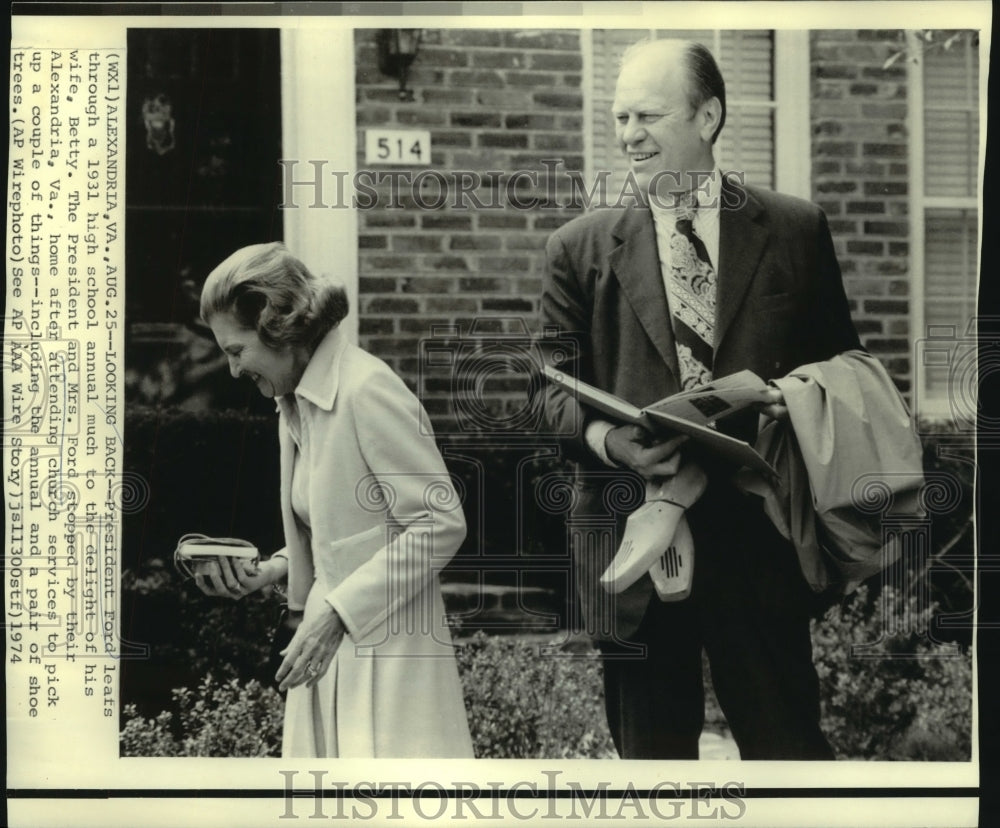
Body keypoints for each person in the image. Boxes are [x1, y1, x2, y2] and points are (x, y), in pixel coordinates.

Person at [539, 39, 861, 759]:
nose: (628, 135)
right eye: (620, 117)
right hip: (632, 536)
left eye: (648, 116)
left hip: (763, 540)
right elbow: (545, 392)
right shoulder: (577, 249)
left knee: (790, 760)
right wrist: (610, 442)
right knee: (653, 773)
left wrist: (791, 397)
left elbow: (844, 368)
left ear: (708, 116)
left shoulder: (795, 231)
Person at [193, 242, 473, 758]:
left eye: (236, 351)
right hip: (330, 642)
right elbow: (342, 532)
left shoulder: (366, 389)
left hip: (391, 655)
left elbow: (441, 523)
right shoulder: (294, 401)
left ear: (275, 327)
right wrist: (273, 570)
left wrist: (338, 615)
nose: (233, 370)